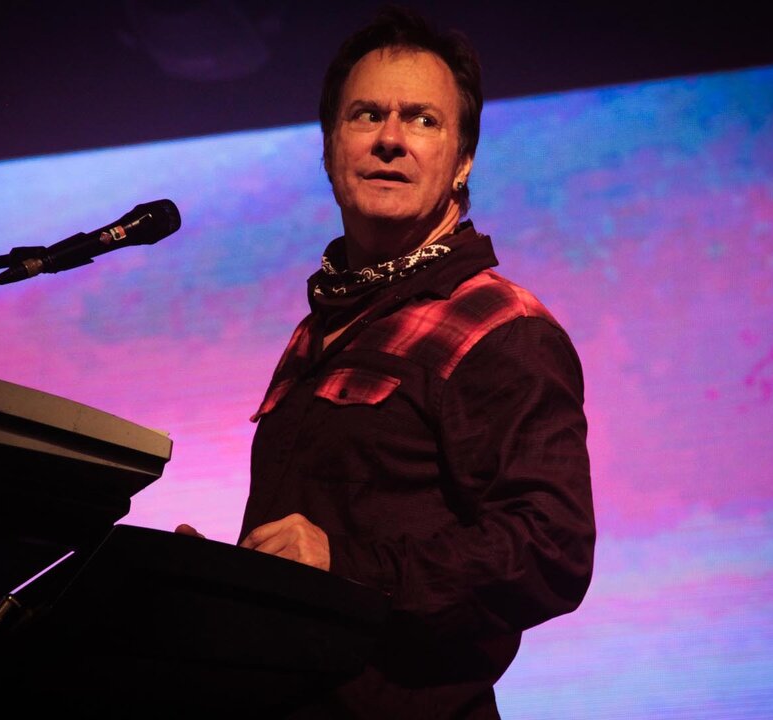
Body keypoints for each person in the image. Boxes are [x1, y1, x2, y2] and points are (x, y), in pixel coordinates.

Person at [185, 7, 595, 718]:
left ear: (462, 161)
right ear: (329, 147)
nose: (390, 139)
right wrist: (226, 580)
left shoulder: (502, 328)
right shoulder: (324, 327)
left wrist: (343, 567)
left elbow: (550, 549)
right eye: (366, 115)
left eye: (423, 120)